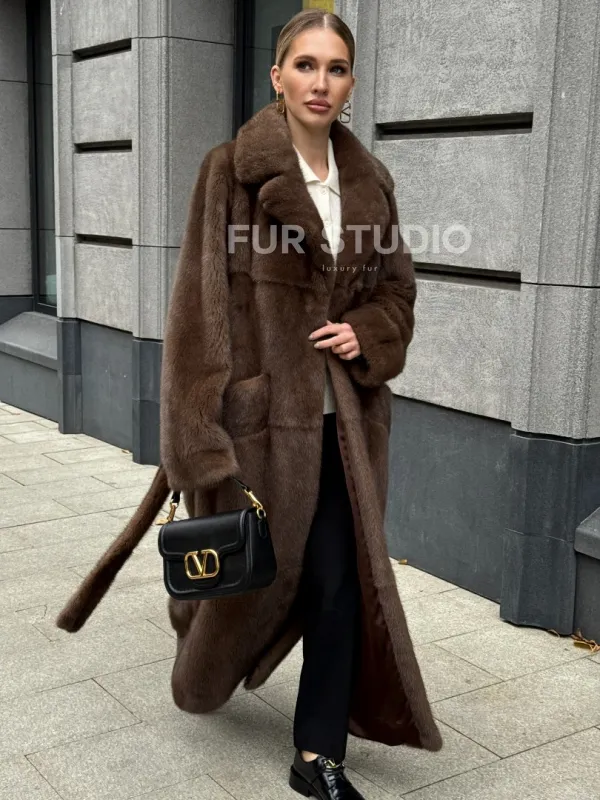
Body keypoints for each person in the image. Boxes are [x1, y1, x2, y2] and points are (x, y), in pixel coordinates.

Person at [56, 8, 442, 799]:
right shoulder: (230, 170)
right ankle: (201, 661)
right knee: (249, 582)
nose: (320, 82)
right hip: (258, 429)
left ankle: (317, 755)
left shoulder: (371, 183)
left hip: (349, 427)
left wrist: (367, 332)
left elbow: (398, 293)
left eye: (336, 68)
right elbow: (197, 312)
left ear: (351, 84)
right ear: (277, 76)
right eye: (306, 65)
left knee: (340, 580)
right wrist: (196, 440)